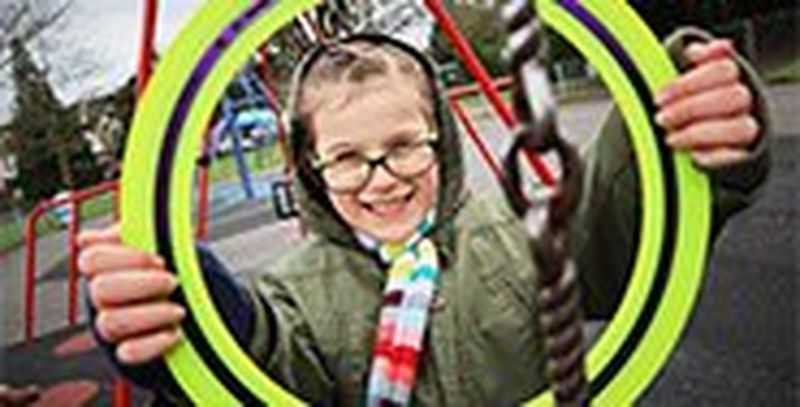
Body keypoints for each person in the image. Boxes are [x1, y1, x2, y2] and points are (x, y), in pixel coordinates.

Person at [78, 28, 770, 405]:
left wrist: (674, 116)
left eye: (404, 145)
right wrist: (182, 309)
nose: (381, 178)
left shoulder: (516, 233)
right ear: (311, 169)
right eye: (348, 157)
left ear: (439, 133)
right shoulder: (295, 290)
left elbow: (617, 229)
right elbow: (263, 360)